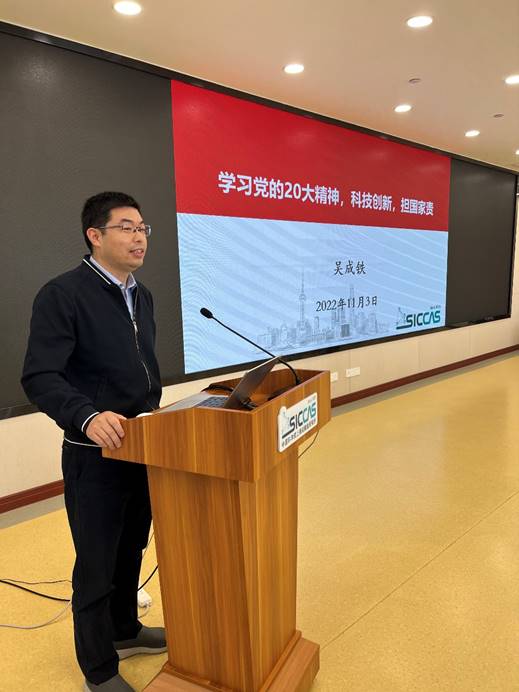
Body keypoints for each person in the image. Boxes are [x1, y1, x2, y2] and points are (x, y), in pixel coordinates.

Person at [22, 192, 165, 692]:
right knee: (97, 562)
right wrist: (86, 414)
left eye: (143, 228)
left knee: (131, 548)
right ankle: (99, 668)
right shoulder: (63, 295)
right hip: (94, 456)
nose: (139, 237)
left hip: (142, 446)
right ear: (95, 235)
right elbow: (40, 376)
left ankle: (125, 629)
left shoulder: (142, 296)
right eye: (127, 227)